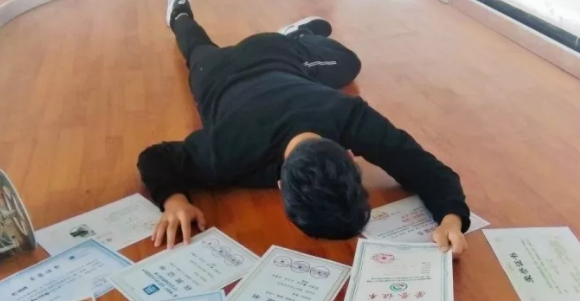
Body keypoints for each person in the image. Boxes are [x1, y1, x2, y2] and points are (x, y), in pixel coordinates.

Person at [139, 0, 471, 255]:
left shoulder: (351, 117)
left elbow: (424, 167)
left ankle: (299, 37)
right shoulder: (229, 147)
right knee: (196, 48)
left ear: (349, 155)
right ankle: (179, 13)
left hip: (280, 56)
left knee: (350, 62)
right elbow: (155, 158)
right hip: (219, 73)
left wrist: (452, 217)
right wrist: (174, 201)